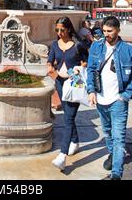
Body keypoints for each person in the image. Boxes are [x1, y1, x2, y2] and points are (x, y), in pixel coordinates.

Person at [87, 16, 132, 180]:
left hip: (118, 102)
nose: (106, 34)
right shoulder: (96, 47)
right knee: (108, 133)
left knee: (119, 137)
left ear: (118, 30)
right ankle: (112, 155)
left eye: (110, 31)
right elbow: (90, 70)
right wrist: (91, 91)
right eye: (104, 31)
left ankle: (117, 173)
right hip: (101, 100)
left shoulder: (128, 50)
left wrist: (125, 96)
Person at [47, 16, 88, 171]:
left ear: (69, 29)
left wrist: (78, 69)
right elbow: (50, 60)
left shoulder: (78, 45)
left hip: (75, 81)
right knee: (68, 116)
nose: (59, 33)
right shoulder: (55, 44)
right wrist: (50, 66)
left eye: (62, 30)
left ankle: (62, 155)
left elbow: (86, 60)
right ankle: (75, 141)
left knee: (68, 118)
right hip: (60, 82)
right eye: (57, 30)